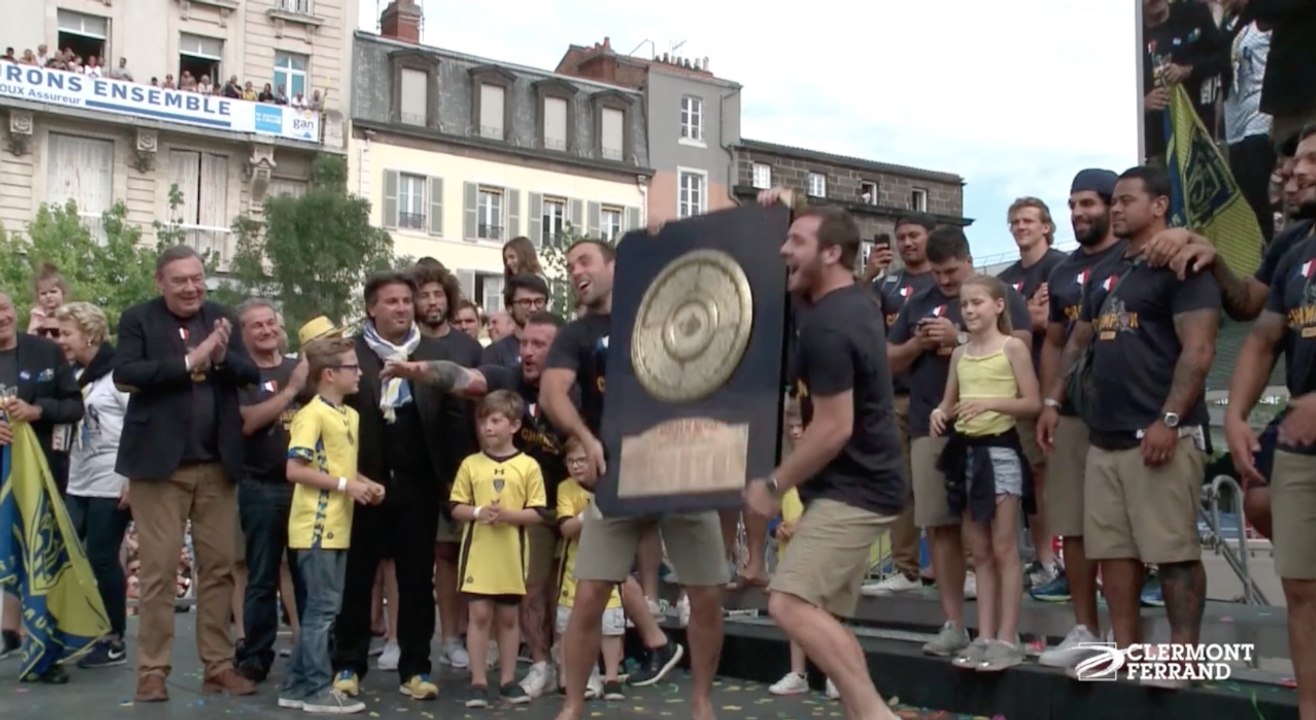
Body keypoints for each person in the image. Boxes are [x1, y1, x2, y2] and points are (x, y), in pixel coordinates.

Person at [381, 310, 684, 694]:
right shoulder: (508, 378)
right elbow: (464, 377)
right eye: (524, 342)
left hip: (582, 496)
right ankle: (541, 663)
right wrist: (414, 370)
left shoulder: (583, 385)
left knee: (603, 579)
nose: (527, 351)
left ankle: (637, 649)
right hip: (533, 504)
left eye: (539, 345)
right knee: (532, 587)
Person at [1047, 165, 1220, 686]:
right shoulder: (1105, 270)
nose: (1116, 208)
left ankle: (1183, 660)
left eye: (1126, 200)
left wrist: (1169, 418)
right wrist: (1054, 399)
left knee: (1172, 553)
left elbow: (1200, 348)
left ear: (1160, 205)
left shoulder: (1184, 265)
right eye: (1113, 201)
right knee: (1114, 555)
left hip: (1161, 433)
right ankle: (1127, 655)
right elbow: (1079, 339)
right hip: (1104, 437)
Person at [744, 192, 904, 720]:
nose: (783, 251)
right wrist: (785, 210)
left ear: (832, 253)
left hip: (855, 491)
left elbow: (834, 428)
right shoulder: (842, 303)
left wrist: (773, 485)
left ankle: (876, 715)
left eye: (795, 242)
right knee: (823, 616)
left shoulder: (831, 325)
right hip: (854, 487)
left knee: (787, 603)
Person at [543, 240, 700, 720]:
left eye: (584, 261)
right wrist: (585, 439)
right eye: (569, 266)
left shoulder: (659, 312)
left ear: (616, 266)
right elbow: (552, 394)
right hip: (615, 476)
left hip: (680, 465)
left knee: (708, 591)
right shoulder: (576, 333)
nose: (575, 272)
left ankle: (704, 703)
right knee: (589, 593)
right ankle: (572, 706)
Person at [112, 246, 259, 701]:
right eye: (181, 280)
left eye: (197, 278)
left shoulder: (221, 316)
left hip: (217, 464)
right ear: (160, 281)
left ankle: (217, 664)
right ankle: (153, 671)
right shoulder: (139, 318)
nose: (192, 287)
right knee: (158, 571)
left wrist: (218, 357)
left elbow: (249, 373)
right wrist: (189, 361)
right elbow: (125, 375)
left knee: (218, 568)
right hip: (159, 468)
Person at [885, 228, 1032, 658]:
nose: (946, 282)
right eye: (937, 273)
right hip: (933, 422)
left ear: (968, 259)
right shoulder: (917, 300)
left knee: (994, 541)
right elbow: (889, 356)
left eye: (952, 272)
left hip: (993, 432)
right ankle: (956, 624)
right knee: (940, 525)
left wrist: (959, 339)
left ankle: (1005, 631)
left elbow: (1020, 342)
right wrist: (919, 341)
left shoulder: (997, 292)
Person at [1223, 126, 1316, 718]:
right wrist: (1233, 415)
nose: (1295, 170)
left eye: (1312, 159)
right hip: (1304, 447)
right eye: (1296, 159)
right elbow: (1260, 337)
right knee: (1302, 591)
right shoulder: (1295, 243)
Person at [332, 271, 451, 701]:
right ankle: (348, 664)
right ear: (371, 307)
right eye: (392, 301)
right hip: (365, 482)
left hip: (418, 483)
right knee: (357, 578)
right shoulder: (350, 354)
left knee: (417, 580)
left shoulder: (434, 353)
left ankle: (415, 668)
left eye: (407, 300)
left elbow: (452, 419)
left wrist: (450, 482)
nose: (402, 308)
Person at [1032, 169, 1125, 668]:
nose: (1077, 214)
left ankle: (1125, 635)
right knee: (1072, 523)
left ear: (1114, 206)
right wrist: (1050, 402)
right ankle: (1086, 629)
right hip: (1070, 412)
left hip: (1122, 411)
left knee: (1118, 526)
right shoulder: (1063, 272)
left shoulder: (1132, 258)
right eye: (1072, 205)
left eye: (1087, 203)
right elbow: (1052, 341)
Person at [929, 275, 1040, 672]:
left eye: (978, 302)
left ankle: (1008, 638)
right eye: (965, 304)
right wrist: (940, 413)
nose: (971, 310)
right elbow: (948, 401)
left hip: (1001, 451)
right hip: (966, 454)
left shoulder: (1013, 348)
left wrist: (992, 404)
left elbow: (1031, 402)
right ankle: (985, 636)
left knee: (1004, 547)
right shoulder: (960, 354)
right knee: (978, 552)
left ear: (997, 306)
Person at [278, 336, 385, 715]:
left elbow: (337, 466)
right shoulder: (312, 414)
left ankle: (295, 684)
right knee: (322, 611)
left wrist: (363, 482)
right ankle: (317, 688)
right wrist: (347, 486)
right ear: (328, 375)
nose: (359, 373)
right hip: (315, 525)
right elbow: (296, 469)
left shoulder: (349, 415)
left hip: (340, 524)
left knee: (324, 608)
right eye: (352, 368)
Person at [449, 390, 547, 708]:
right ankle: (478, 680)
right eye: (484, 421)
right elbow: (456, 506)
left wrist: (508, 516)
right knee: (479, 613)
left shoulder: (528, 465)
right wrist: (479, 513)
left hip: (511, 553)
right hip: (478, 551)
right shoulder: (470, 464)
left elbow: (537, 512)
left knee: (507, 616)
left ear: (515, 425)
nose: (488, 428)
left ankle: (507, 680)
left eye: (495, 421)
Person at [409, 263, 481, 670]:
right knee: (434, 556)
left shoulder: (469, 347)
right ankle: (438, 636)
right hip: (419, 465)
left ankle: (468, 636)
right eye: (424, 295)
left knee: (467, 555)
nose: (432, 302)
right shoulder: (408, 346)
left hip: (465, 464)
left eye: (438, 294)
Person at [234, 300, 310, 682]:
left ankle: (313, 654)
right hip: (259, 484)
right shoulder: (240, 374)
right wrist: (292, 390)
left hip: (305, 487)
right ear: (242, 333)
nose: (266, 331)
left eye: (271, 324)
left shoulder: (300, 366)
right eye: (256, 326)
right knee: (262, 576)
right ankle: (256, 655)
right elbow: (248, 422)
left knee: (306, 576)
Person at [863, 213, 938, 597]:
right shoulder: (887, 282)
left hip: (934, 395)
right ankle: (905, 567)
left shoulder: (940, 278)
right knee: (900, 484)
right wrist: (867, 277)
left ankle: (950, 564)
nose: (907, 243)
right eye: (901, 237)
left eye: (914, 235)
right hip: (892, 393)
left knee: (938, 483)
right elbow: (855, 312)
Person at [995, 198, 1067, 591]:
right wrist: (1029, 319)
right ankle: (1043, 559)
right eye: (1014, 221)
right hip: (1017, 390)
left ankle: (1060, 559)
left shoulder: (1060, 266)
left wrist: (1029, 321)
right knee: (1032, 477)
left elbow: (1054, 322)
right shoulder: (1005, 279)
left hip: (1053, 386)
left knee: (1058, 476)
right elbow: (997, 333)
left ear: (1046, 226)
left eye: (1027, 220)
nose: (1020, 227)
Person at [55, 302, 131, 671]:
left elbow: (138, 423)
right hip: (79, 477)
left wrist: (133, 477)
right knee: (68, 553)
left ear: (89, 334)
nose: (61, 340)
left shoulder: (117, 373)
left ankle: (114, 638)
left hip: (111, 478)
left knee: (102, 556)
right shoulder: (75, 375)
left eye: (66, 333)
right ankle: (79, 627)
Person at [766, 407, 838, 700]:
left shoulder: (827, 470)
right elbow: (772, 512)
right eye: (791, 426)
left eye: (800, 426)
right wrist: (778, 529)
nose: (795, 431)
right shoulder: (785, 471)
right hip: (790, 554)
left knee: (825, 614)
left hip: (819, 551)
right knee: (793, 612)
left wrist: (804, 524)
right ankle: (798, 673)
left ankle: (835, 673)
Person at [555, 438, 624, 701]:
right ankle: (569, 677)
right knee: (568, 621)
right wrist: (587, 514)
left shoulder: (612, 487)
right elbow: (566, 528)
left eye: (581, 460)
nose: (576, 466)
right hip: (576, 562)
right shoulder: (566, 489)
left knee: (610, 622)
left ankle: (612, 678)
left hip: (609, 559)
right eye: (571, 461)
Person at [483, 275, 550, 367]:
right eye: (525, 302)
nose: (533, 308)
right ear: (509, 308)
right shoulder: (495, 353)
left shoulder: (560, 347)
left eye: (539, 301)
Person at [26, 263, 66, 337]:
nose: (48, 296)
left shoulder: (68, 312)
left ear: (62, 292)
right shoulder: (37, 315)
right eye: (43, 293)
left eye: (53, 292)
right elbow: (30, 335)